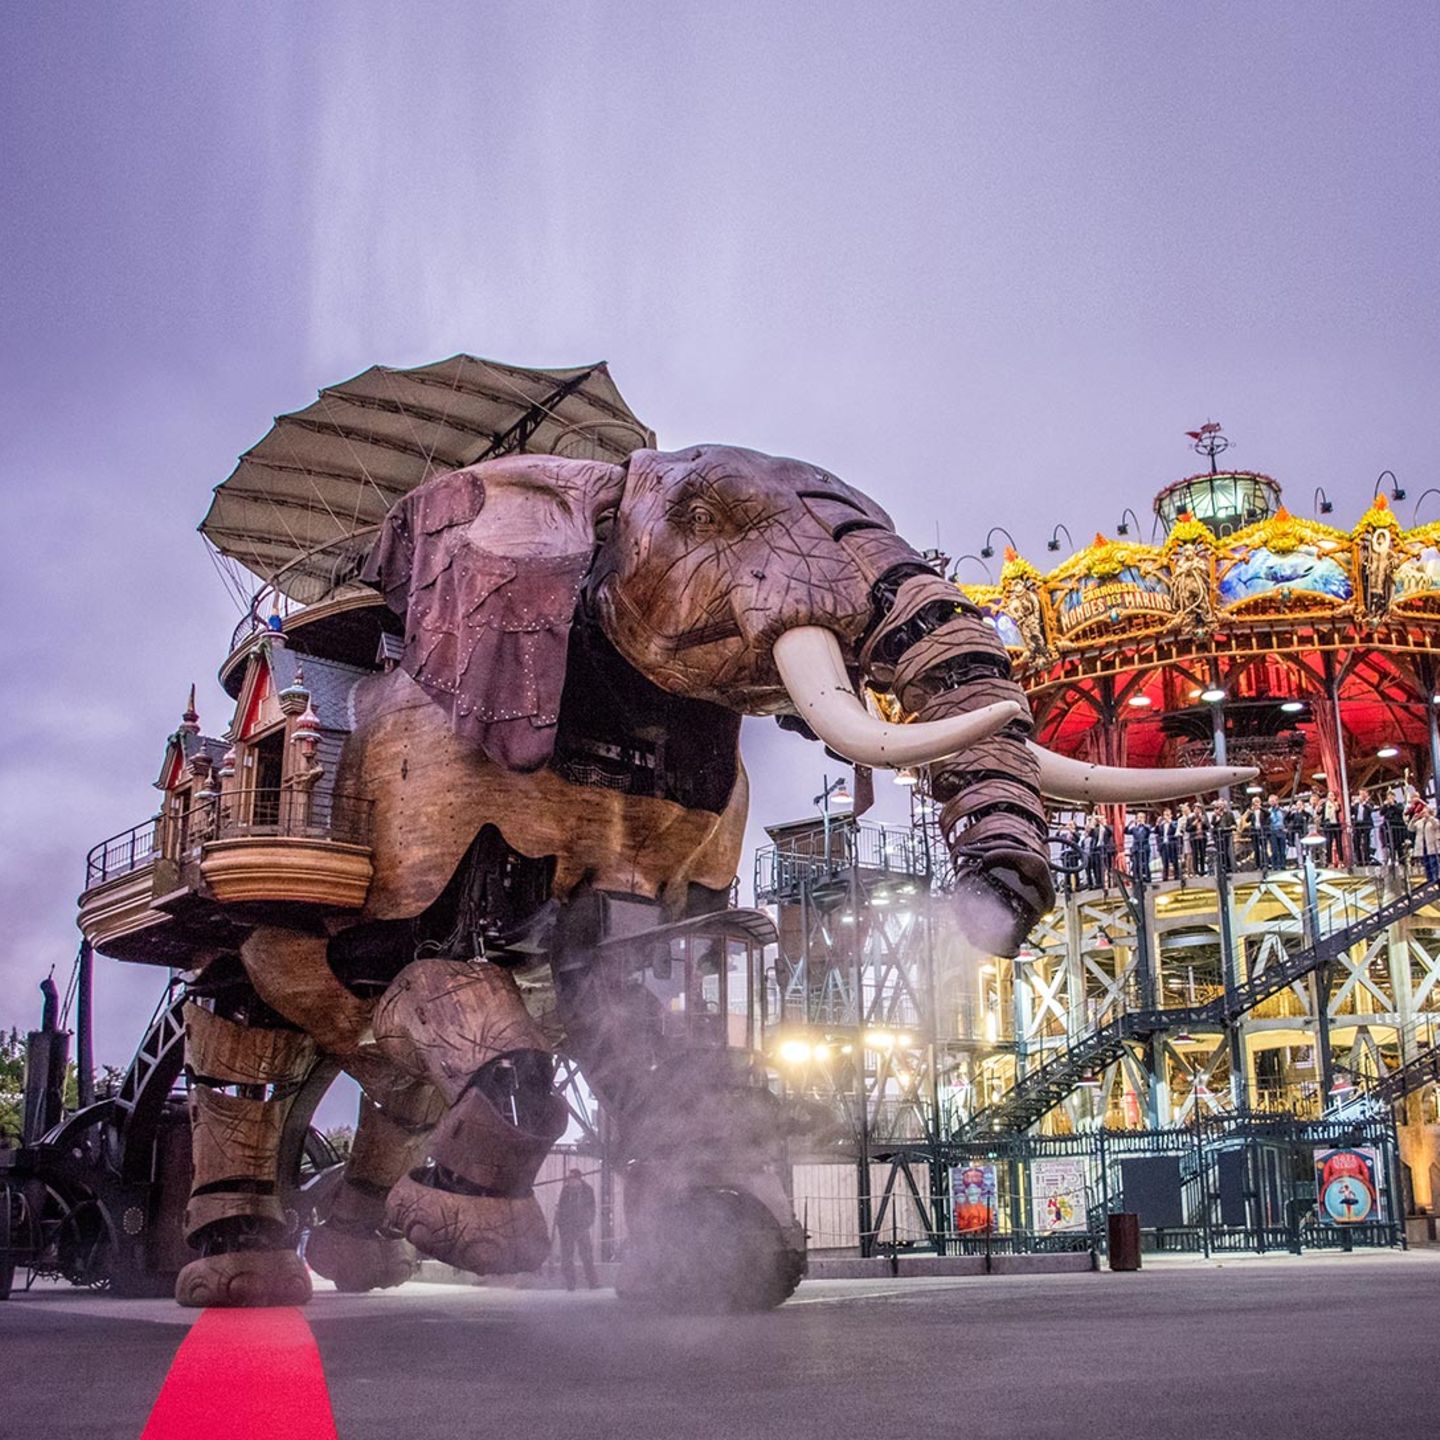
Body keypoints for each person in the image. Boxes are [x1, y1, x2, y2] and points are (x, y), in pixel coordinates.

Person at [553, 1167, 599, 1291]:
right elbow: (561, 1208)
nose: (569, 1180)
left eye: (571, 1178)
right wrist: (561, 1225)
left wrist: (587, 1223)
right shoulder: (566, 1190)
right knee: (567, 1256)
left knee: (587, 1255)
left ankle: (592, 1282)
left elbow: (591, 1209)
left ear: (578, 1178)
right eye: (569, 1178)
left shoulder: (587, 1190)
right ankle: (570, 1283)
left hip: (581, 1227)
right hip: (567, 1228)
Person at [1412, 802, 1440, 883]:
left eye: (1425, 812)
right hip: (1422, 846)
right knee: (1426, 864)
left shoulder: (1433, 820)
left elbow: (1437, 825)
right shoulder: (1420, 822)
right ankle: (1429, 879)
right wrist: (1414, 819)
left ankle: (1435, 879)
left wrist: (1430, 818)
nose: (1423, 813)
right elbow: (1411, 828)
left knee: (1433, 863)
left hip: (1431, 845)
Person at [1126, 812, 1152, 882]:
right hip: (1136, 848)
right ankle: (1137, 878)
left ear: (1144, 818)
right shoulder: (1134, 828)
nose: (1139, 819)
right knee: (1136, 864)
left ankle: (1147, 877)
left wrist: (1143, 824)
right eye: (1138, 817)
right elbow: (1126, 831)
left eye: (1141, 817)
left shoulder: (1147, 827)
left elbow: (1150, 831)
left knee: (1145, 863)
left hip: (1144, 847)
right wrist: (1130, 823)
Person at [1352, 789, 1376, 866]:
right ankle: (1359, 861)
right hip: (1358, 824)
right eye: (1360, 794)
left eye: (1363, 794)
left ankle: (1367, 860)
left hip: (1366, 824)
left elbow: (1371, 810)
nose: (1361, 795)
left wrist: (1364, 803)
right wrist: (1353, 804)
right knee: (1356, 842)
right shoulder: (1356, 804)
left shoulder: (1369, 802)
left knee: (1366, 843)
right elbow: (1351, 811)